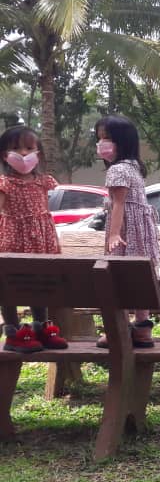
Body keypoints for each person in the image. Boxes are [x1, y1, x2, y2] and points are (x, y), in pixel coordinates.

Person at [94, 115, 160, 348]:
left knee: (117, 278)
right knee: (139, 277)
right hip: (141, 231)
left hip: (125, 231)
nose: (101, 143)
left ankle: (118, 330)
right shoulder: (134, 167)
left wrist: (113, 235)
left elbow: (119, 204)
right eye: (100, 138)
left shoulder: (118, 170)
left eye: (107, 138)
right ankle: (142, 328)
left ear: (123, 141)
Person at [0, 125, 67, 352]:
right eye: (16, 148)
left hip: (41, 240)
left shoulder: (44, 181)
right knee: (9, 284)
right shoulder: (4, 183)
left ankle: (41, 328)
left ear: (38, 153)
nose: (23, 153)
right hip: (13, 239)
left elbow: (45, 210)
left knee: (40, 282)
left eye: (29, 148)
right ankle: (13, 333)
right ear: (5, 155)